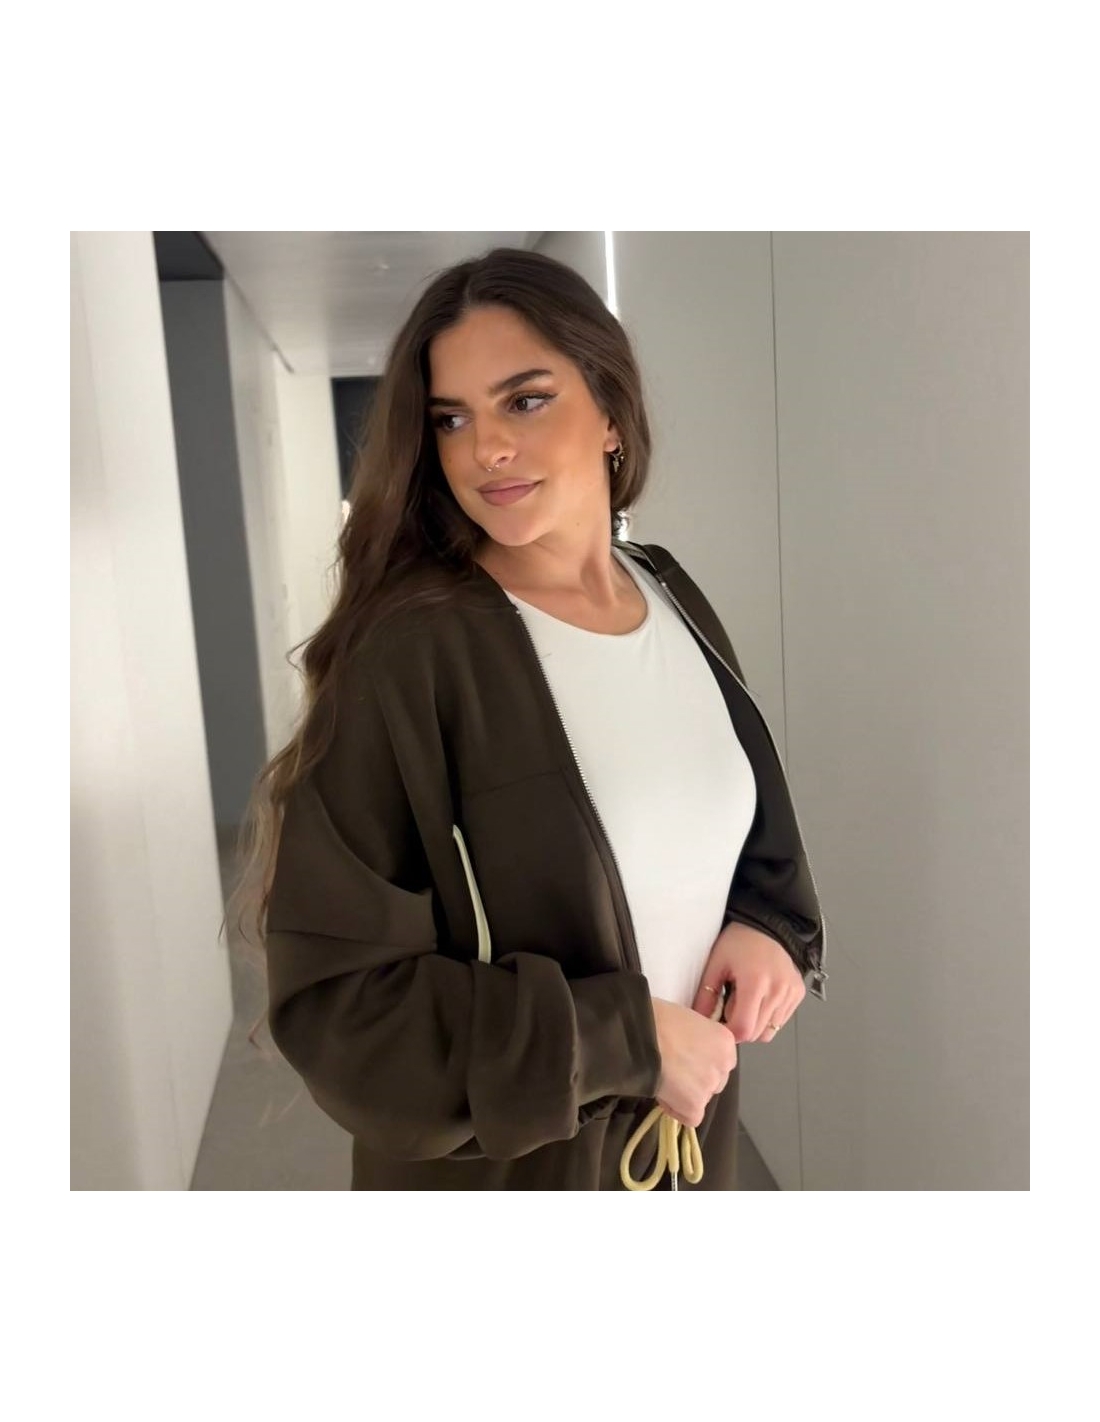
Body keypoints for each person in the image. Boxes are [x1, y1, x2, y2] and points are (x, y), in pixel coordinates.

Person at [239, 247, 826, 1191]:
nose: (486, 449)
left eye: (525, 400)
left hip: (684, 1146)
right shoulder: (411, 654)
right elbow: (342, 1006)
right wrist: (625, 1043)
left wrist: (768, 927)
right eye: (452, 419)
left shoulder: (670, 594)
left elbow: (740, 829)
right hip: (512, 1175)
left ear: (611, 411)